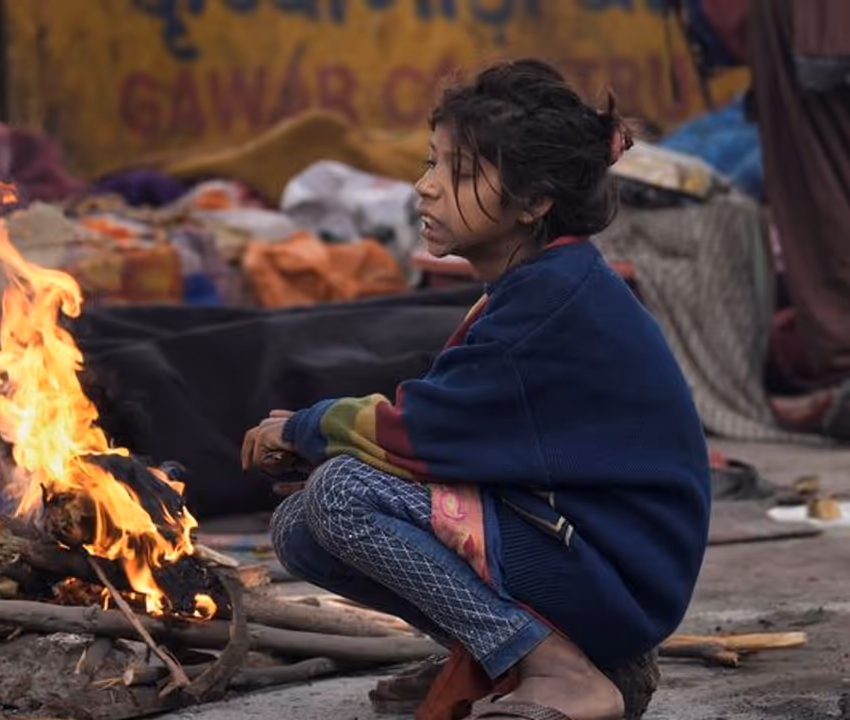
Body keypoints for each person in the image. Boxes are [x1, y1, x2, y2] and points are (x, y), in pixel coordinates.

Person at [241, 59, 711, 720]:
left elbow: (421, 434)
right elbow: (456, 436)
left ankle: (560, 672)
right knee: (300, 530)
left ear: (534, 200)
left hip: (618, 576)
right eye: (431, 164)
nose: (426, 188)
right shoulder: (537, 283)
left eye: (457, 172)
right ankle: (501, 656)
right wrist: (319, 438)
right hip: (580, 552)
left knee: (342, 493)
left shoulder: (549, 304)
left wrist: (305, 428)